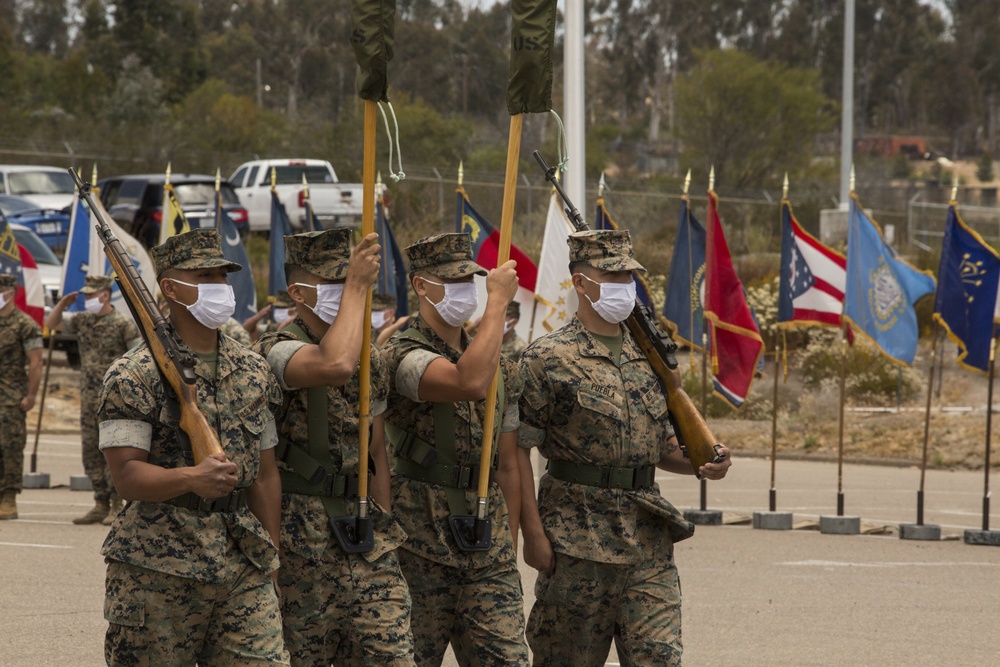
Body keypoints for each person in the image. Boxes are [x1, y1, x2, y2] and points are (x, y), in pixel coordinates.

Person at [516, 229, 732, 667]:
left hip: (646, 536)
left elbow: (659, 444)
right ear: (580, 283)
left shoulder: (648, 357)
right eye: (611, 275)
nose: (623, 286)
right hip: (577, 541)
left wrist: (701, 462)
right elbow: (518, 453)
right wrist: (533, 535)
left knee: (659, 657)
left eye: (628, 276)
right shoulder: (546, 358)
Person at [97, 228, 288, 665]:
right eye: (205, 277)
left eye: (223, 276)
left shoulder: (254, 369)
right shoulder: (132, 374)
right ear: (169, 288)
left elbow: (266, 473)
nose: (220, 287)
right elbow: (126, 477)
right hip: (157, 569)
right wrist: (192, 479)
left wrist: (271, 556)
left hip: (244, 562)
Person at [253, 229, 414, 666]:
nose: (346, 290)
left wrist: (380, 521)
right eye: (335, 283)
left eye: (351, 279)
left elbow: (376, 451)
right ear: (298, 293)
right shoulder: (274, 350)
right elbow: (334, 364)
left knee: (392, 654)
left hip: (363, 529)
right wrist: (272, 557)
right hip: (301, 535)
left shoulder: (372, 359)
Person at [379, 232, 528, 665]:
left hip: (488, 546)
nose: (466, 290)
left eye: (471, 280)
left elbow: (508, 466)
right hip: (420, 544)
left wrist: (509, 546)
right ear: (421, 285)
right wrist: (497, 305)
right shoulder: (402, 353)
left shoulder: (498, 360)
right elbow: (467, 382)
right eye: (452, 280)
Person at [47, 275, 141, 525]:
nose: (87, 299)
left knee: (113, 450)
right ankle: (99, 503)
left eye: (91, 295)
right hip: (89, 396)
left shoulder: (123, 324)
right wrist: (62, 305)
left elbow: (140, 359)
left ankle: (115, 504)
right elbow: (52, 324)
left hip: (115, 399)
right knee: (90, 450)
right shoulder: (84, 320)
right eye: (86, 295)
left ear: (105, 295)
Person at [0, 274, 43, 521]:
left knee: (11, 448)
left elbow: (35, 362)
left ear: (11, 292)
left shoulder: (25, 324)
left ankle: (9, 497)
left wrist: (31, 395)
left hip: (11, 398)